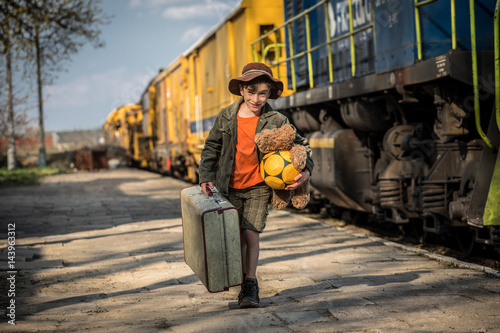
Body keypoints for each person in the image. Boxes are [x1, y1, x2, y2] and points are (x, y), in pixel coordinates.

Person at [198, 62, 313, 308]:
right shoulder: (226, 116)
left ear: (269, 93)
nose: (257, 98)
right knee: (236, 235)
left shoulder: (276, 119)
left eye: (263, 93)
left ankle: (250, 284)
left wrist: (307, 171)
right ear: (242, 90)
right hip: (227, 187)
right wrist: (205, 176)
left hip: (259, 185)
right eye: (252, 92)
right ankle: (241, 281)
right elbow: (211, 147)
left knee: (251, 233)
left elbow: (301, 145)